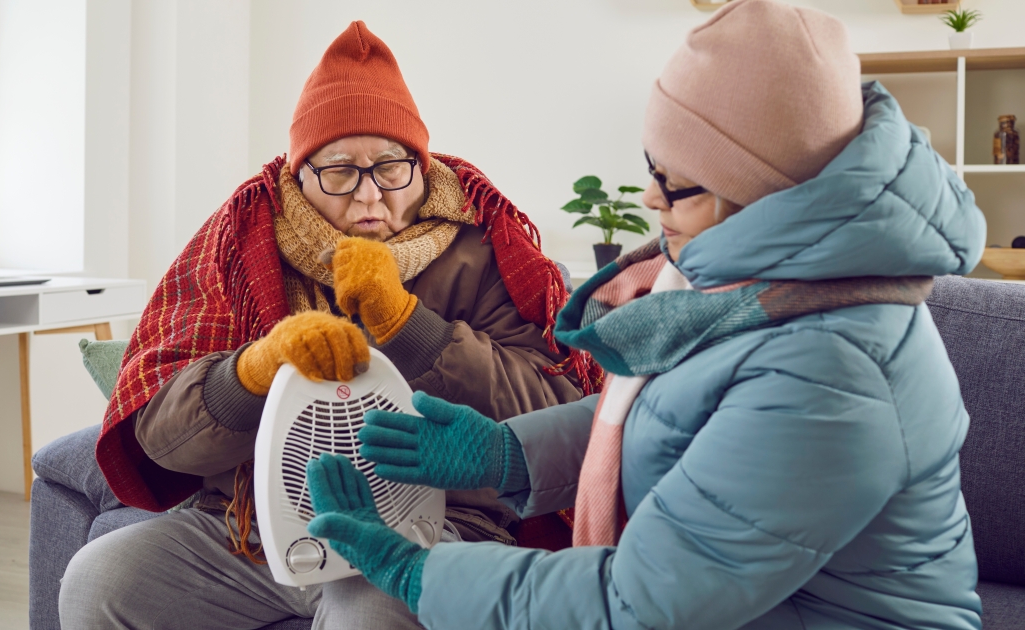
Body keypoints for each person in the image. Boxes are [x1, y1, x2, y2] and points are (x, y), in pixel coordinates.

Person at [304, 1, 987, 628]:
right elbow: (669, 414)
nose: (651, 200)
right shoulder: (755, 290)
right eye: (652, 167)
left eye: (676, 183)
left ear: (761, 195)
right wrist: (506, 453)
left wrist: (417, 575)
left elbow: (641, 603)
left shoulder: (832, 369)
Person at [58, 21, 597, 630]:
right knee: (100, 579)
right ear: (300, 176)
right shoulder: (243, 242)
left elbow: (549, 409)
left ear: (421, 168)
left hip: (427, 525)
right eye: (339, 171)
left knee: (366, 617)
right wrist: (252, 372)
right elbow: (162, 439)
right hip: (251, 529)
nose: (369, 195)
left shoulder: (483, 247)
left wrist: (407, 325)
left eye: (390, 167)